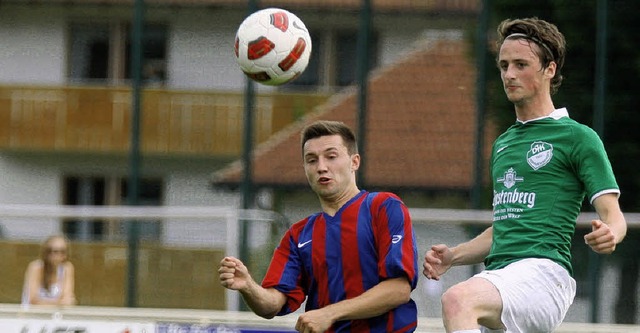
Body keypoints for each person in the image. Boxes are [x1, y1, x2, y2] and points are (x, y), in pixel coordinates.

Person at [422, 17, 627, 333]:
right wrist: (454, 255)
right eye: (504, 65)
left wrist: (610, 233)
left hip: (545, 275)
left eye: (521, 64)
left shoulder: (578, 137)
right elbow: (507, 226)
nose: (509, 74)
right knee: (461, 301)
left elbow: (614, 217)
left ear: (550, 69)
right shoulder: (504, 143)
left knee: (457, 300)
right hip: (502, 278)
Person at [219, 120, 419, 332]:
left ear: (355, 162)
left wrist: (329, 313)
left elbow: (398, 289)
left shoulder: (384, 208)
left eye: (331, 157)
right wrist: (249, 286)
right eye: (311, 160)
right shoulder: (298, 234)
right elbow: (272, 305)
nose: (321, 167)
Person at [22, 234, 77, 306]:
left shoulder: (67, 268)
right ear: (46, 253)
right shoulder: (36, 267)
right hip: (33, 315)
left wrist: (47, 303)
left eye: (63, 252)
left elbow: (68, 298)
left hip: (56, 315)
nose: (59, 255)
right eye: (55, 251)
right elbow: (33, 300)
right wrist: (60, 303)